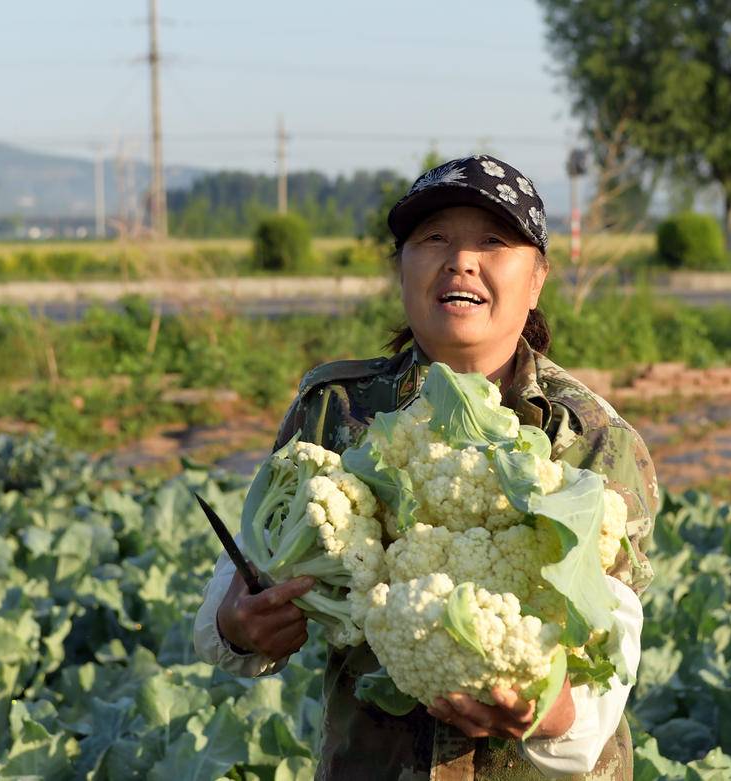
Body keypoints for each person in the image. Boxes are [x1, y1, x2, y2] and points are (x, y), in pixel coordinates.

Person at [194, 155, 658, 780]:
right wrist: (238, 624)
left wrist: (550, 711)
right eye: (433, 238)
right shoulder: (334, 407)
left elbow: (615, 643)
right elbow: (241, 575)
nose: (460, 260)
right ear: (402, 266)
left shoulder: (593, 438)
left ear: (538, 278)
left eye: (491, 241)